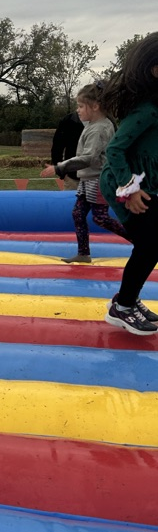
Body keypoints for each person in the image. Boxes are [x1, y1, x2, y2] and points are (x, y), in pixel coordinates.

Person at [98, 32, 158, 335]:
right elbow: (115, 149)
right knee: (150, 244)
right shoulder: (147, 111)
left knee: (152, 244)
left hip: (149, 184)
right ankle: (123, 306)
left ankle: (127, 301)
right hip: (127, 184)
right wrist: (130, 190)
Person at [40, 83, 128, 263]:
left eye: (81, 106)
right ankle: (83, 253)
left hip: (98, 179)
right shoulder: (92, 125)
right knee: (78, 214)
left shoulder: (100, 128)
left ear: (95, 106)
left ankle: (141, 240)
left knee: (100, 217)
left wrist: (59, 167)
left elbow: (87, 157)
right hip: (87, 179)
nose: (77, 110)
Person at [50, 110, 84, 188]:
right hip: (72, 177)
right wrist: (62, 173)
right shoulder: (68, 121)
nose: (79, 109)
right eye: (79, 106)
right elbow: (57, 147)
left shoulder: (103, 122)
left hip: (97, 178)